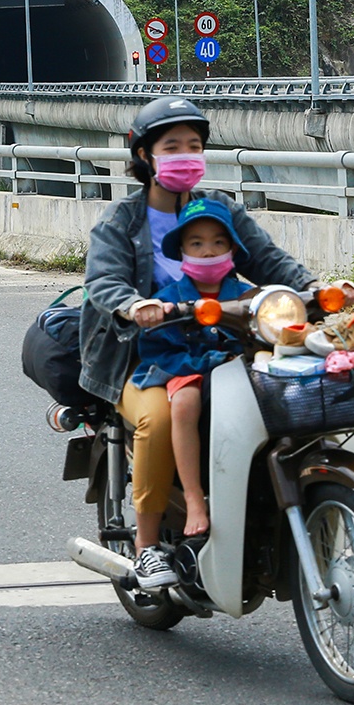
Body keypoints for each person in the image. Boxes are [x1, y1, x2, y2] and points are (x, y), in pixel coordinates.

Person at [78, 95, 319, 593]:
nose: (185, 153)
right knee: (162, 417)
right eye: (172, 145)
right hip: (142, 356)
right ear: (144, 155)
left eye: (194, 144)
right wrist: (133, 305)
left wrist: (314, 291)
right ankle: (147, 548)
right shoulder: (120, 221)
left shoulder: (219, 210)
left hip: (221, 344)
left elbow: (270, 262)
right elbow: (102, 284)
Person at [130, 198, 253, 563]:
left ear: (232, 248)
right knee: (185, 402)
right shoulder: (167, 301)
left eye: (218, 242)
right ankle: (194, 498)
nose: (208, 251)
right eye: (196, 243)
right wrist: (207, 362)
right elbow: (159, 351)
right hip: (187, 371)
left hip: (239, 372)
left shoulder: (246, 295)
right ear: (181, 250)